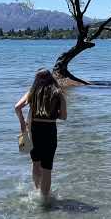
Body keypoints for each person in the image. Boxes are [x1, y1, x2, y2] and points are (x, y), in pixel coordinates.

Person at [14, 68, 67, 204]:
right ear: (51, 79)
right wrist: (52, 112)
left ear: (37, 80)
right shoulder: (58, 93)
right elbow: (63, 116)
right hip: (49, 130)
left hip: (34, 130)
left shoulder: (32, 92)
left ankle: (37, 192)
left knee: (36, 163)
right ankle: (45, 199)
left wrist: (23, 124)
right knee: (47, 166)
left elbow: (17, 107)